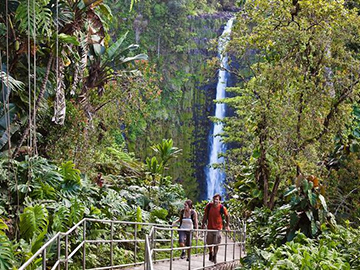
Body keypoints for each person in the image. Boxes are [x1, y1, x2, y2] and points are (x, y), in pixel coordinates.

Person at [201, 193, 230, 264]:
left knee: (216, 243)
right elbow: (205, 215)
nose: (215, 201)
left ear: (219, 201)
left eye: (217, 199)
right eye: (214, 199)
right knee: (209, 242)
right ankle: (211, 252)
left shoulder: (222, 208)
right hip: (210, 227)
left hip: (218, 228)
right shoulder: (209, 206)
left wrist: (227, 225)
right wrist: (203, 224)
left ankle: (215, 256)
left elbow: (227, 216)